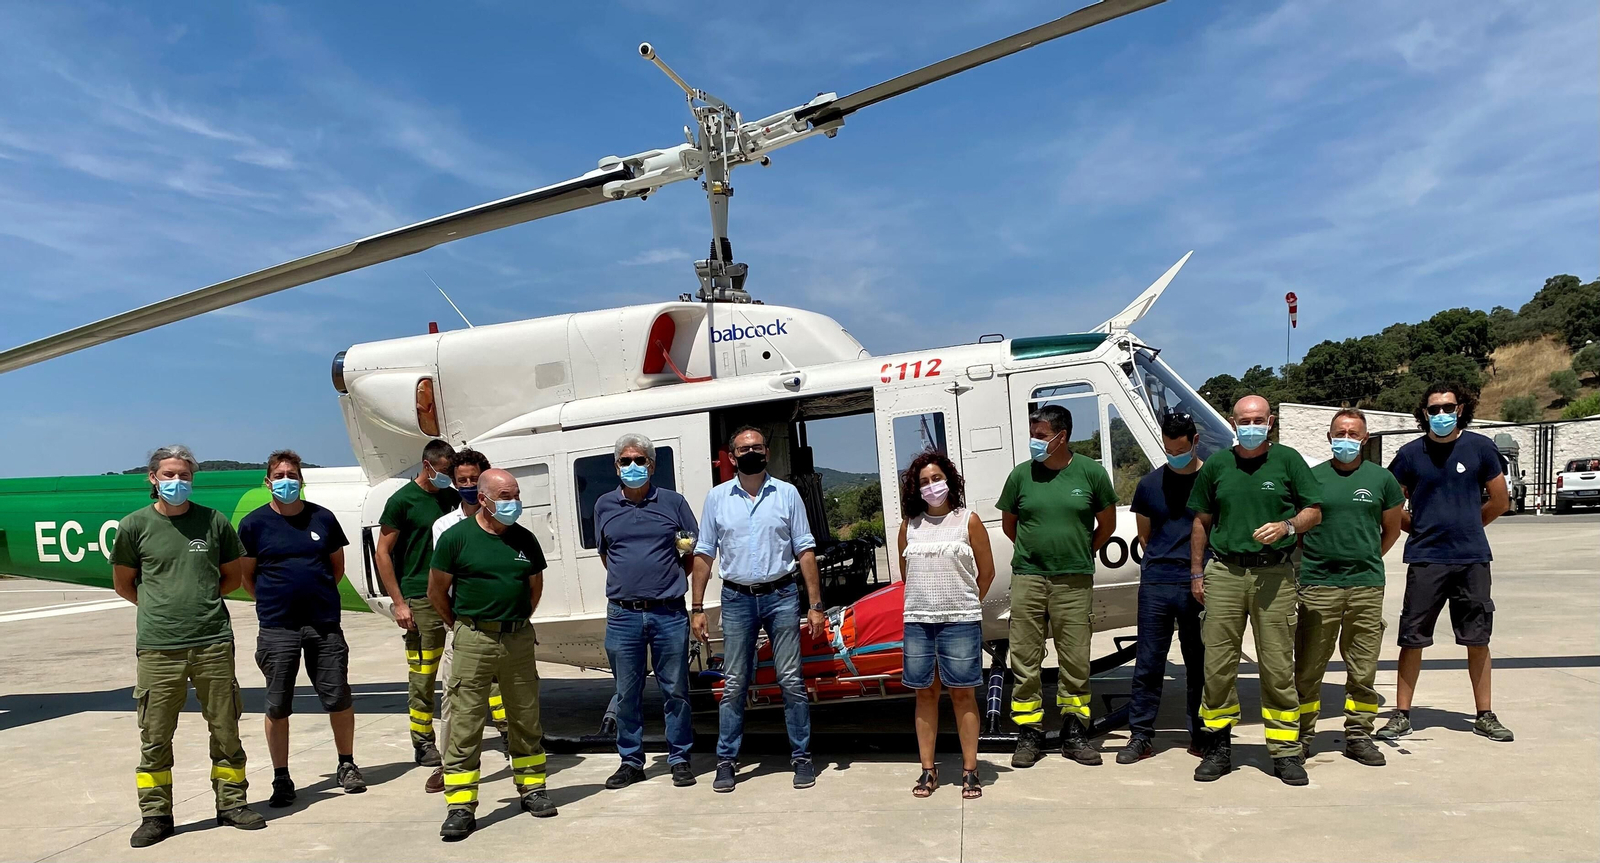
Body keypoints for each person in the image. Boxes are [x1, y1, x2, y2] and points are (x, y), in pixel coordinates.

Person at [111, 445, 265, 848]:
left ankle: (232, 804)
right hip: (159, 647)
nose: (176, 482)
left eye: (183, 475)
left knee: (226, 728)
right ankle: (156, 814)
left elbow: (231, 576)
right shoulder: (134, 526)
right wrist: (161, 608)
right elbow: (124, 583)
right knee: (156, 735)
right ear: (153, 478)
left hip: (212, 641)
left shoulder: (212, 522)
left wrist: (198, 603)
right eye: (169, 475)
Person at [1187, 395, 1322, 786]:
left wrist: (1287, 527)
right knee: (1217, 667)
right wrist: (1197, 574)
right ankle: (1217, 747)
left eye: (1258, 419)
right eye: (1244, 420)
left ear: (1271, 422)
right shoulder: (1217, 464)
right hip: (1225, 573)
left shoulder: (1288, 461)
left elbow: (1313, 510)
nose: (1251, 426)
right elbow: (1201, 521)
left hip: (1273, 576)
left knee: (1278, 667)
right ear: (1233, 422)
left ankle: (1284, 753)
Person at [690, 426, 826, 794]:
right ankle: (726, 761)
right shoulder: (717, 499)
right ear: (731, 457)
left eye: (758, 447)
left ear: (766, 452)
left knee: (791, 681)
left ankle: (801, 756)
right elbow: (704, 553)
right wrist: (697, 606)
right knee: (734, 683)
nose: (752, 452)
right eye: (743, 448)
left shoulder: (787, 494)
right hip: (736, 598)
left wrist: (816, 606)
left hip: (781, 595)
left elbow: (805, 550)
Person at [1378, 383, 1513, 743]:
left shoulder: (1481, 448)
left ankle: (1484, 714)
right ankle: (1402, 714)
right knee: (1412, 638)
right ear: (1423, 413)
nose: (1440, 414)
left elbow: (1500, 501)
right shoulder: (1409, 454)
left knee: (1477, 638)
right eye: (1433, 409)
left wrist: (1469, 525)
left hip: (1472, 559)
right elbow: (1390, 504)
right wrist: (1418, 528)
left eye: (1447, 407)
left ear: (1461, 408)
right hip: (1426, 559)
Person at [429, 469, 555, 841]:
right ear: (482, 498)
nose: (512, 502)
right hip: (473, 638)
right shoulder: (456, 538)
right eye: (504, 495)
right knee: (466, 722)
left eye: (515, 494)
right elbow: (437, 591)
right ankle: (461, 806)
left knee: (525, 717)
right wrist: (461, 627)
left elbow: (534, 588)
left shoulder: (524, 539)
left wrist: (513, 622)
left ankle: (532, 789)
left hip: (516, 639)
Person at [238, 450, 364, 807]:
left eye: (292, 474)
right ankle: (281, 777)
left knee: (338, 697)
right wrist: (276, 600)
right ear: (267, 482)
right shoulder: (253, 524)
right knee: (277, 706)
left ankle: (347, 763)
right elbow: (249, 578)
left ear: (302, 479)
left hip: (323, 624)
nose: (286, 481)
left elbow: (334, 568)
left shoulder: (323, 519)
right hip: (278, 626)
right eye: (279, 475)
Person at [998, 404, 1117, 769]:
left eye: (1040, 436)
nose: (1034, 442)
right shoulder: (1021, 476)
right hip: (1029, 579)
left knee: (1076, 658)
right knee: (1025, 659)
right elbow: (1010, 525)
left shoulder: (1092, 474)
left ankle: (1074, 731)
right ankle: (1029, 733)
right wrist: (1039, 555)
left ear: (1061, 437)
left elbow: (1106, 526)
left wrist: (1079, 551)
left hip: (1074, 580)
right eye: (1033, 435)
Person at [1293, 410, 1404, 767]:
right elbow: (1298, 528)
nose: (1346, 438)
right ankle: (1303, 736)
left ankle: (1359, 735)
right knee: (1309, 668)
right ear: (1328, 437)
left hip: (1366, 587)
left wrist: (1364, 557)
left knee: (1363, 669)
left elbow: (1391, 530)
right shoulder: (1312, 479)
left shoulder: (1382, 479)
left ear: (1365, 439)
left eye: (1353, 433)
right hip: (1318, 585)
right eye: (1339, 432)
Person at [595, 433, 701, 790]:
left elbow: (688, 552)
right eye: (625, 461)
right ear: (616, 467)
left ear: (652, 466)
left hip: (668, 613)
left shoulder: (674, 503)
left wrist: (663, 583)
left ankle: (680, 758)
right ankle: (631, 761)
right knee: (626, 693)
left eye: (640, 460)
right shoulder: (604, 506)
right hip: (623, 616)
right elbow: (606, 554)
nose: (633, 467)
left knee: (676, 690)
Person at [897, 451, 995, 799]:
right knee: (925, 694)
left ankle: (970, 770)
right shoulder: (909, 526)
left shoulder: (969, 521)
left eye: (936, 479)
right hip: (919, 622)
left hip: (960, 622)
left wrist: (965, 603)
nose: (931, 486)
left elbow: (987, 573)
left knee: (963, 694)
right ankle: (928, 770)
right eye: (923, 482)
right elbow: (907, 575)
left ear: (949, 481)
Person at [1119, 411, 1208, 764]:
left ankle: (1201, 733)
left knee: (1199, 662)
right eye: (1169, 449)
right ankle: (1140, 735)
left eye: (1180, 449)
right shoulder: (1149, 485)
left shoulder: (1209, 481)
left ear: (1195, 441)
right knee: (1149, 662)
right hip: (1156, 582)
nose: (1174, 455)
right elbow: (1145, 535)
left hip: (1197, 583)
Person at [374, 439, 460, 768]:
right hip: (419, 597)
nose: (449, 477)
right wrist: (398, 602)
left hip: (452, 595)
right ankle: (423, 741)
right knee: (423, 674)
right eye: (444, 471)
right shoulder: (402, 502)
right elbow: (382, 553)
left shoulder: (451, 498)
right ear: (428, 466)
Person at [423, 448, 504, 794]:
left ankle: (523, 752)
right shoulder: (444, 526)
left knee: (514, 695)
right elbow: (440, 583)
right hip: (464, 625)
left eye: (474, 479)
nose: (469, 485)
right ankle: (448, 763)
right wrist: (453, 623)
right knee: (454, 699)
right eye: (463, 480)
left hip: (503, 624)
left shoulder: (505, 521)